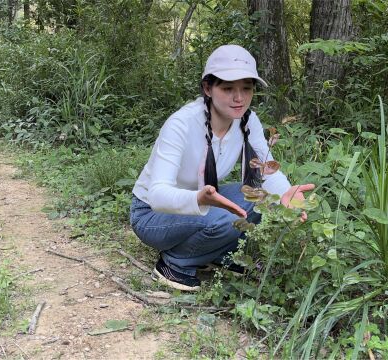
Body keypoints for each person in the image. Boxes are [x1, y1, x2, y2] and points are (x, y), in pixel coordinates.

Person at [129, 44, 314, 291]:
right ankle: (176, 263)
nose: (239, 98)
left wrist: (285, 192)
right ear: (208, 88)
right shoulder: (181, 124)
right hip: (151, 214)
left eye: (246, 88)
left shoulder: (248, 120)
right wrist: (199, 199)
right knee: (228, 218)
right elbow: (157, 194)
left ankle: (211, 254)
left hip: (205, 199)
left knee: (261, 197)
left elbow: (264, 171)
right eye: (228, 88)